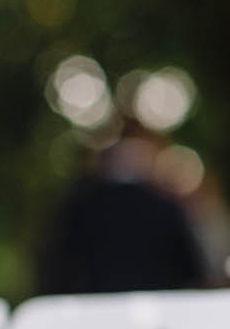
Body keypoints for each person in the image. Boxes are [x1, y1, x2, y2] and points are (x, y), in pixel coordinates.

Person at [36, 120, 215, 296]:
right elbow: (192, 273)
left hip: (90, 316)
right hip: (156, 317)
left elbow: (54, 271)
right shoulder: (167, 208)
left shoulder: (76, 208)